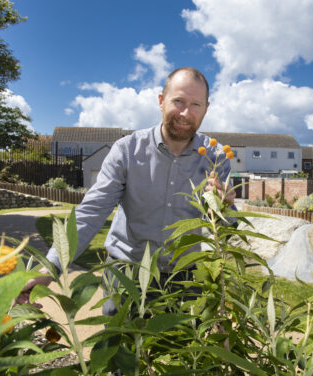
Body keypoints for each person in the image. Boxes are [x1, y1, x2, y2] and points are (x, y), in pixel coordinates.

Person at [17, 67, 235, 313]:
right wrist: (50, 267)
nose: (185, 113)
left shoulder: (216, 157)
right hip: (127, 274)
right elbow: (91, 212)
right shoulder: (127, 150)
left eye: (195, 104)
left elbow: (226, 227)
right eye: (178, 101)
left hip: (186, 280)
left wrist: (225, 206)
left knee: (184, 351)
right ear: (161, 101)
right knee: (119, 349)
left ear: (206, 108)